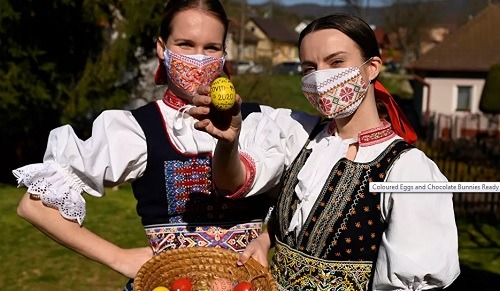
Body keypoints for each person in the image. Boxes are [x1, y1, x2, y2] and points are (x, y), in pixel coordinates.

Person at [12, 1, 283, 290]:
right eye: (185, 45)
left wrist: (267, 238)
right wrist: (118, 257)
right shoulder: (136, 129)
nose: (199, 58)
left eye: (211, 47)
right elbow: (35, 206)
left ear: (223, 53)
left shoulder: (259, 122)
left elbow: (301, 195)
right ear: (161, 48)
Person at [191, 13, 460, 290]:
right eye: (309, 67)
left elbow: (418, 282)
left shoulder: (407, 169)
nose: (320, 76)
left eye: (336, 62)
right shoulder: (303, 137)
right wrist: (228, 143)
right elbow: (232, 183)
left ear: (372, 68)